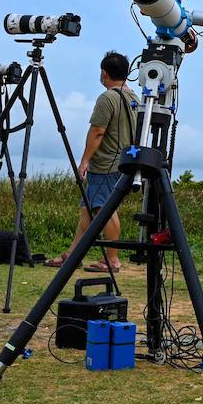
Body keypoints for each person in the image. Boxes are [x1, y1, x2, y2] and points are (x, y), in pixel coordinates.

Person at [51, 51, 137, 273]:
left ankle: (112, 259)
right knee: (87, 211)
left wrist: (85, 161)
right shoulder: (134, 97)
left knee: (103, 209)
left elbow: (98, 131)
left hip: (106, 163)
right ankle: (72, 255)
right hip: (124, 161)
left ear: (104, 73)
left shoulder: (107, 98)